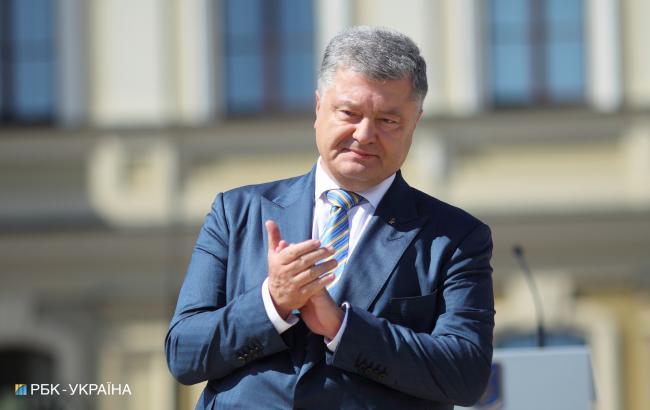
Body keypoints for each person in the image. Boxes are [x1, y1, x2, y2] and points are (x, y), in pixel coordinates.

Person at [165, 26, 494, 410]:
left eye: (388, 121)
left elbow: (466, 376)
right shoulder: (236, 212)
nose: (365, 134)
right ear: (318, 108)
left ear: (415, 123)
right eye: (349, 113)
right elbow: (184, 354)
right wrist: (272, 303)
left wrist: (342, 327)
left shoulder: (454, 237)